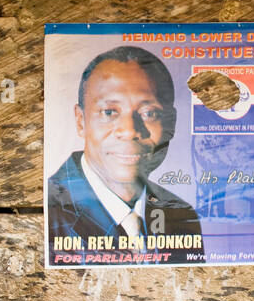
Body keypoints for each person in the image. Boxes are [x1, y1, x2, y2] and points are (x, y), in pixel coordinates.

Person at [47, 46, 203, 265]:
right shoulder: (48, 211)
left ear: (171, 123)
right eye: (109, 112)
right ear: (81, 121)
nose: (130, 130)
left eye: (150, 113)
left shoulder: (182, 216)